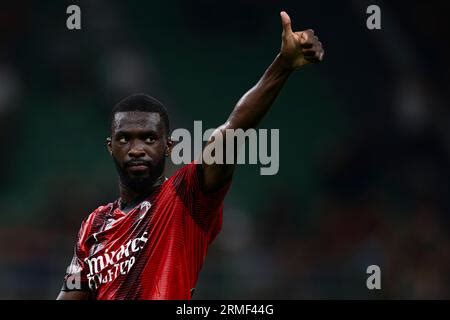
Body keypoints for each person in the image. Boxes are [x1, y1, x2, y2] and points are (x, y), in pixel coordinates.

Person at [57, 11, 324, 300]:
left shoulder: (186, 197)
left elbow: (230, 132)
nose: (137, 148)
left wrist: (282, 66)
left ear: (169, 146)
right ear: (111, 146)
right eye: (125, 138)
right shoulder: (93, 226)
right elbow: (71, 294)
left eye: (149, 138)